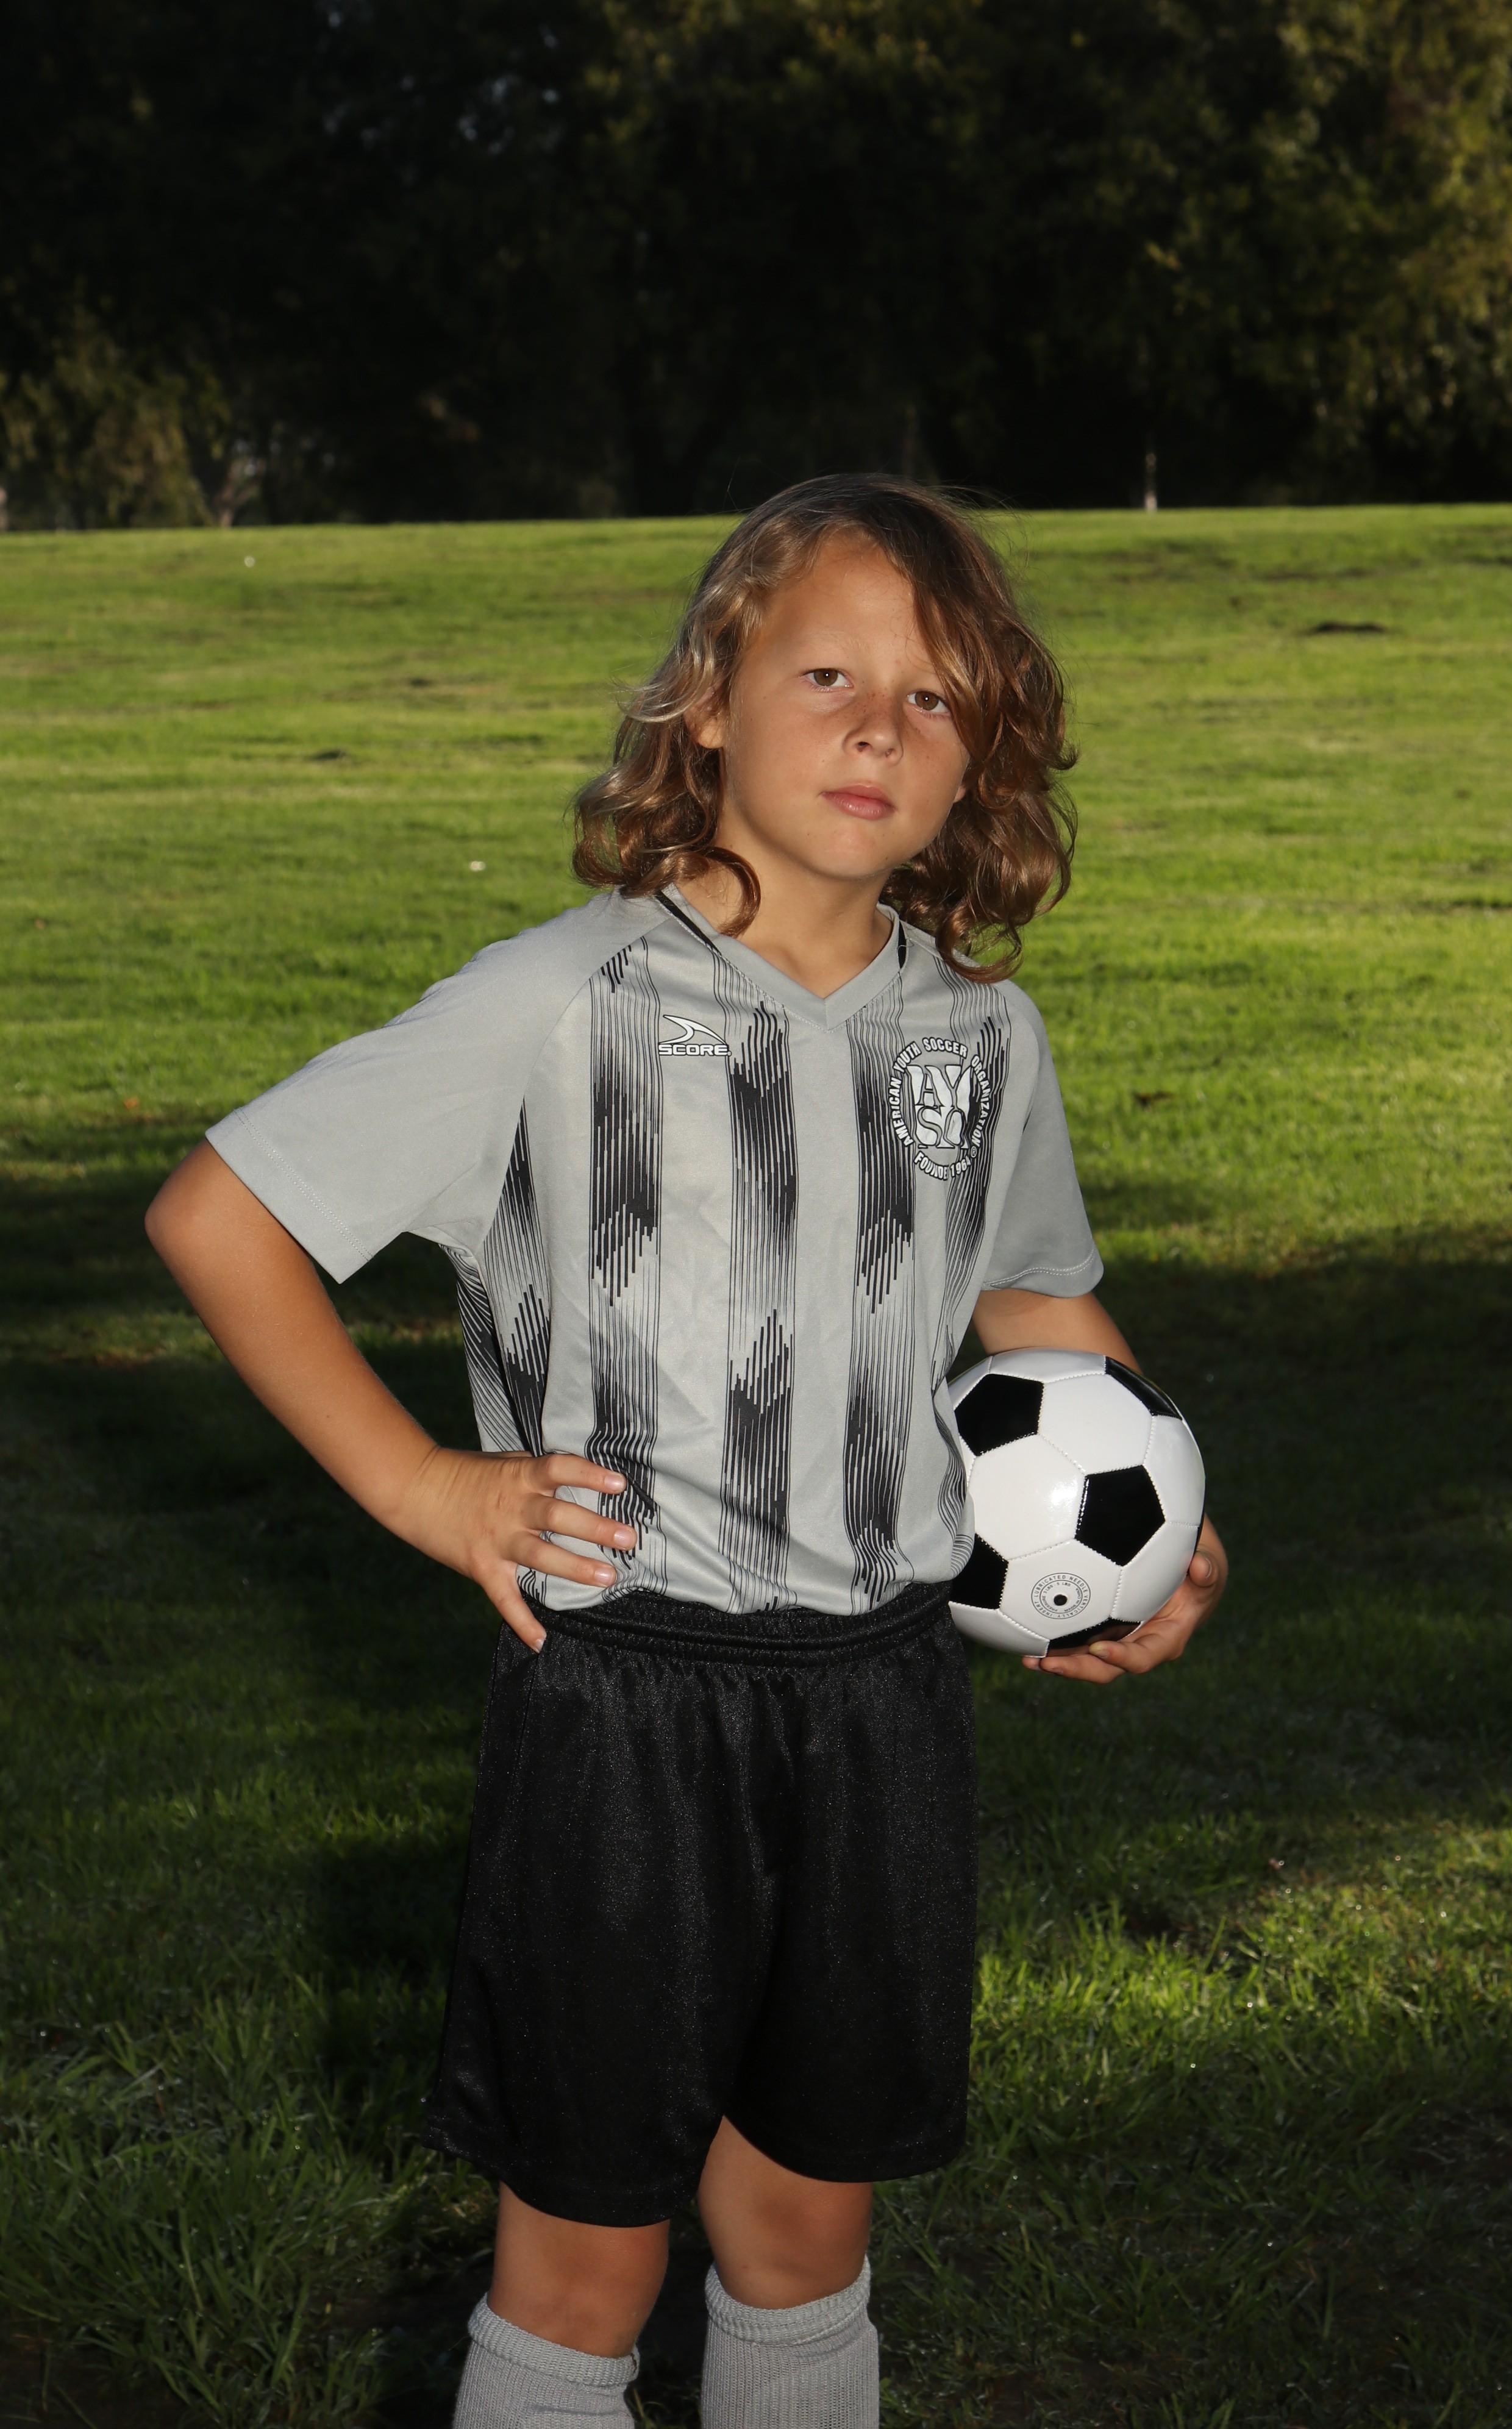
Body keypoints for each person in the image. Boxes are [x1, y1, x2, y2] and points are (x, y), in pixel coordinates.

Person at [146, 475, 1227, 2429]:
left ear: (982, 756)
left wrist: (1164, 1530)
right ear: (710, 702)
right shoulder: (560, 999)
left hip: (884, 1699)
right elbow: (222, 1218)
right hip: (628, 1705)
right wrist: (425, 1486)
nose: (880, 727)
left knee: (805, 2227)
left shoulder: (981, 1038)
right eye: (829, 676)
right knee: (586, 2254)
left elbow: (1035, 1301)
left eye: (935, 696)